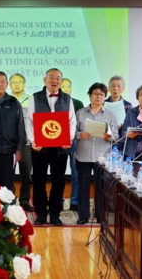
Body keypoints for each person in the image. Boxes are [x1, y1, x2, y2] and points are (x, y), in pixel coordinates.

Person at [26, 68, 76, 225]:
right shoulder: (35, 98)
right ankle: (41, 213)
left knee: (59, 181)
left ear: (61, 81)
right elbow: (29, 121)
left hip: (60, 148)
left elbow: (72, 122)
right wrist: (33, 140)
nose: (54, 80)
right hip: (40, 148)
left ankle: (55, 213)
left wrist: (69, 138)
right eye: (51, 77)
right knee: (39, 180)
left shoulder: (68, 99)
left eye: (58, 78)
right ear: (44, 80)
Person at [74, 83, 119, 225]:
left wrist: (109, 136)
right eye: (95, 94)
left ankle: (100, 215)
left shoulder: (110, 115)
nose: (98, 97)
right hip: (83, 155)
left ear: (105, 97)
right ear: (90, 95)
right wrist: (81, 134)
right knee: (83, 187)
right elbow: (71, 133)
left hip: (102, 157)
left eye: (101, 94)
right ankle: (83, 215)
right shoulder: (80, 113)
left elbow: (117, 135)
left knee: (101, 188)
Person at [9, 73, 34, 211]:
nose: (16, 84)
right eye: (13, 82)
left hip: (25, 143)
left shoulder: (31, 100)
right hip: (9, 144)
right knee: (9, 174)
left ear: (24, 84)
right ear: (9, 84)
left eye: (19, 82)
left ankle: (25, 200)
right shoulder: (6, 100)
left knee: (27, 174)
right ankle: (11, 201)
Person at [61, 77, 84, 212]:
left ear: (71, 88)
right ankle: (59, 200)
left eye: (67, 86)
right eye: (62, 86)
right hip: (59, 142)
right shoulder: (55, 101)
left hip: (75, 141)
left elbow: (81, 123)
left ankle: (75, 201)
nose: (65, 89)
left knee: (76, 173)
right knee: (59, 173)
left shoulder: (78, 103)